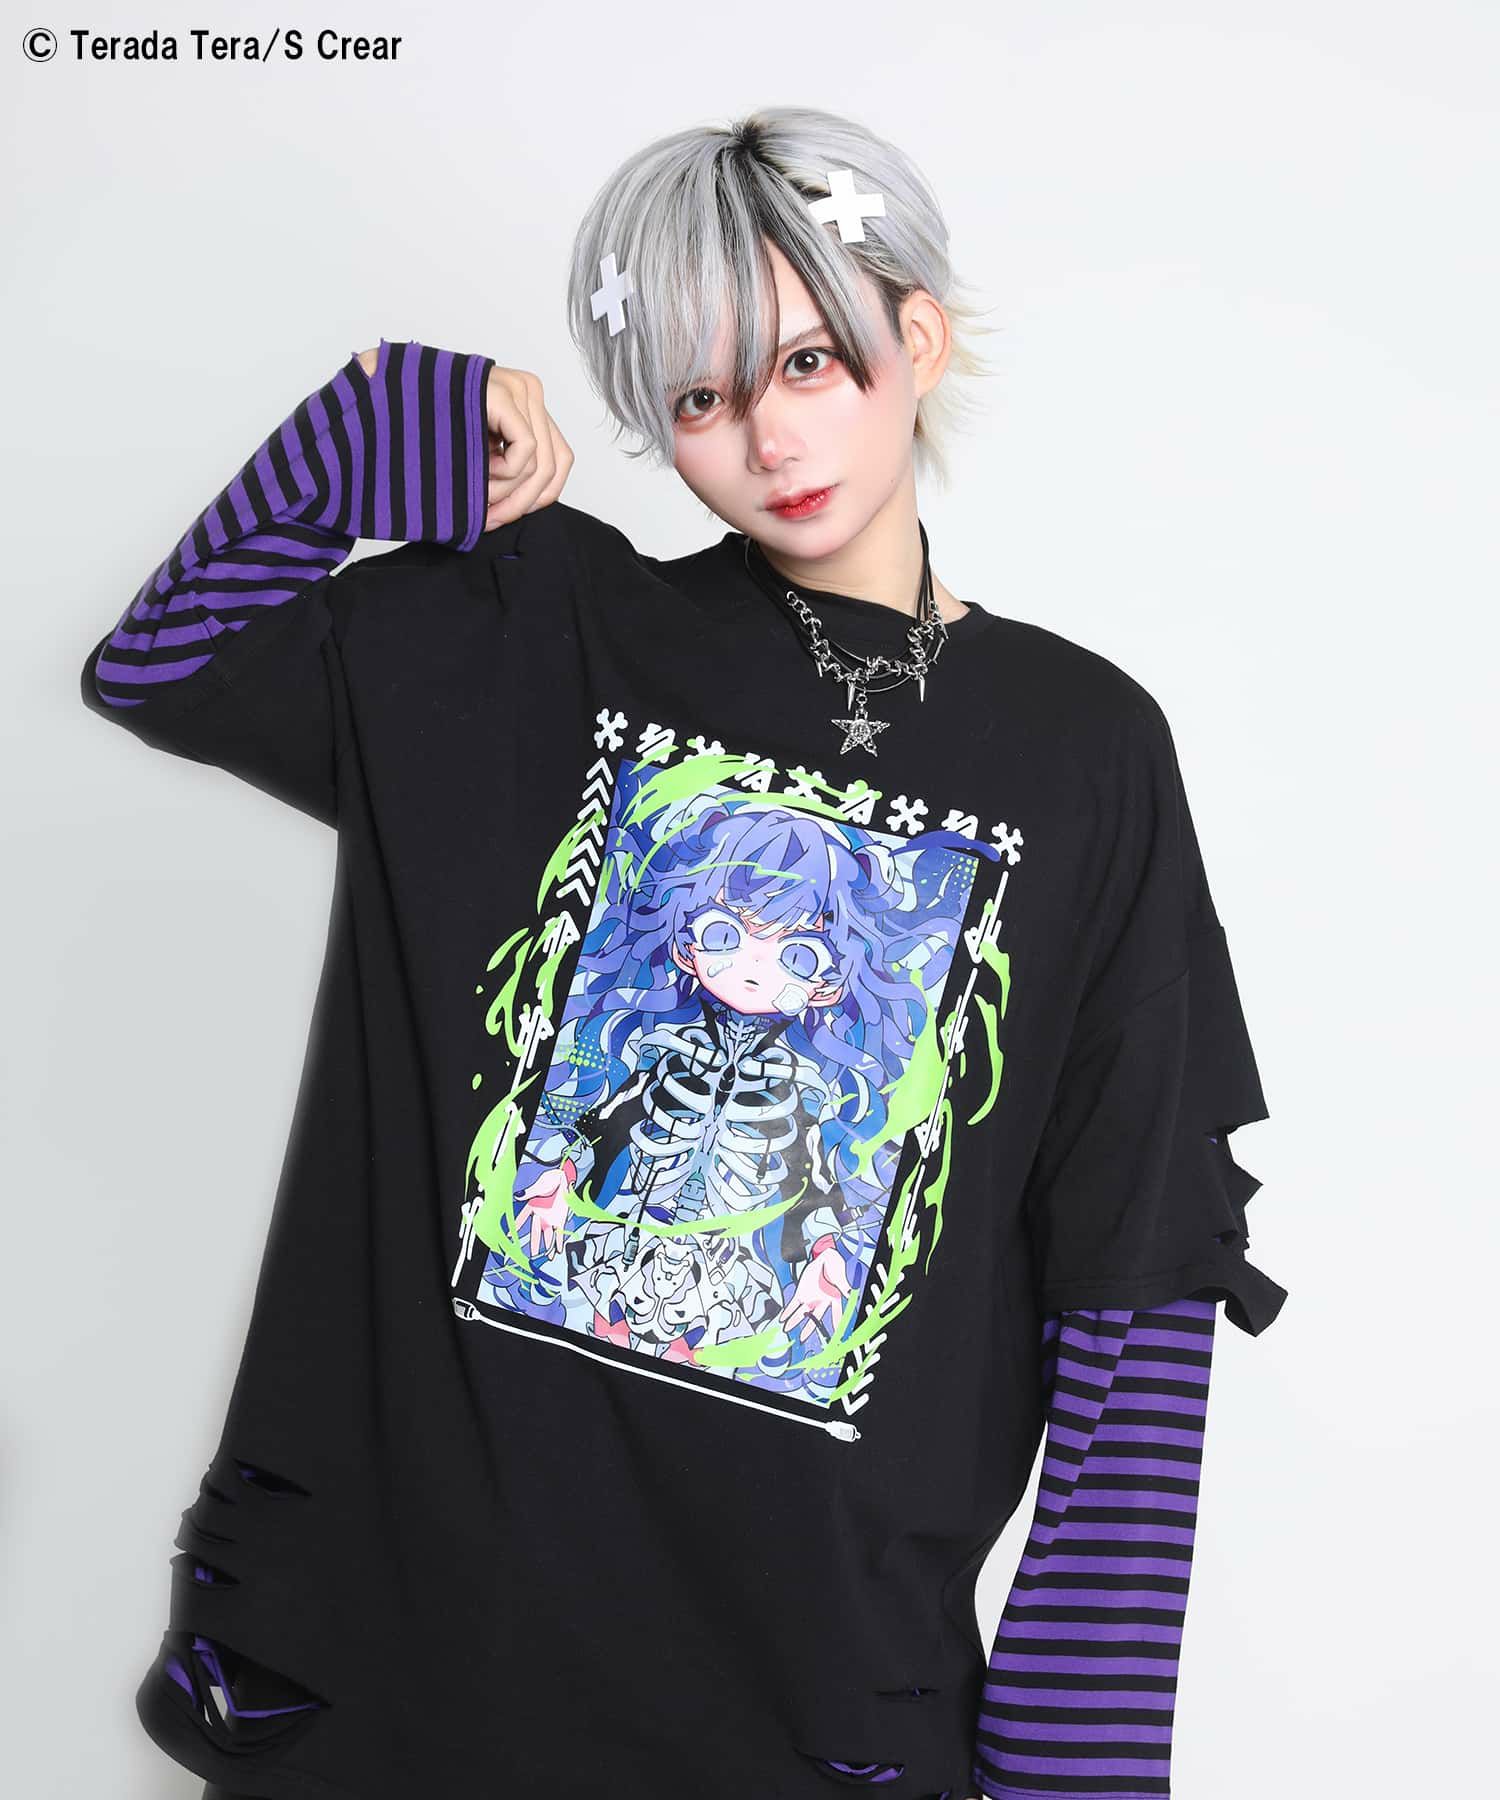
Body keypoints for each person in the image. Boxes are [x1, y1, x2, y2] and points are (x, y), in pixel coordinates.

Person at [82, 105, 1285, 1800]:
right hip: (401, 1677)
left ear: (918, 338)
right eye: (703, 397)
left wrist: (1074, 1771)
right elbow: (165, 662)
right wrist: (384, 429)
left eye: (810, 361)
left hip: (810, 1709)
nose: (770, 437)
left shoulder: (1080, 750)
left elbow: (1135, 1274)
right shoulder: (539, 633)